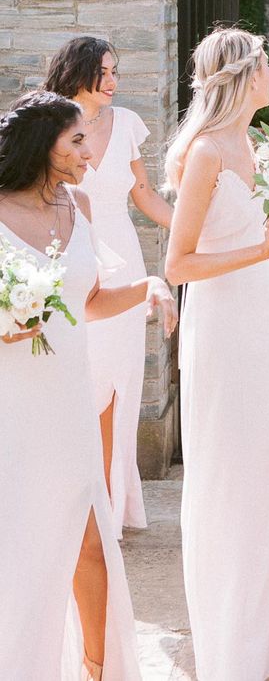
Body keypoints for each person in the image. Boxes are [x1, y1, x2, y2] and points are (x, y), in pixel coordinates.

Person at [163, 28, 269, 680]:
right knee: (236, 486)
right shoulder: (207, 151)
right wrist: (260, 250)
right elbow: (179, 263)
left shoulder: (261, 145)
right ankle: (235, 642)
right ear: (245, 76)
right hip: (225, 330)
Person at [0, 90, 176, 680]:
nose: (89, 155)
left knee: (91, 544)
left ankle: (97, 669)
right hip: (12, 407)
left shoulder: (80, 204)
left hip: (68, 404)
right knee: (19, 550)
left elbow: (90, 300)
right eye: (78, 141)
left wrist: (149, 286)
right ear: (40, 143)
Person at [43, 36, 173, 538]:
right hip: (67, 258)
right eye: (107, 71)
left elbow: (144, 195)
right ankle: (72, 500)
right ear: (80, 71)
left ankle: (110, 505)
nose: (116, 81)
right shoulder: (47, 123)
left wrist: (198, 232)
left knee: (117, 381)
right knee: (74, 375)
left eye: (116, 70)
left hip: (122, 261)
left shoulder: (128, 126)